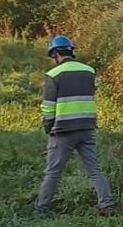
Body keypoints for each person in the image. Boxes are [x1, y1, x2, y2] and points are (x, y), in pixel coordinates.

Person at [34, 35, 115, 217]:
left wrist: (48, 127)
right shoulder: (89, 71)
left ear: (55, 53)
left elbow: (48, 106)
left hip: (63, 131)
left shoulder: (53, 74)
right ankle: (107, 205)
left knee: (53, 172)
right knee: (94, 170)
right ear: (71, 51)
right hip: (87, 127)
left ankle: (41, 209)